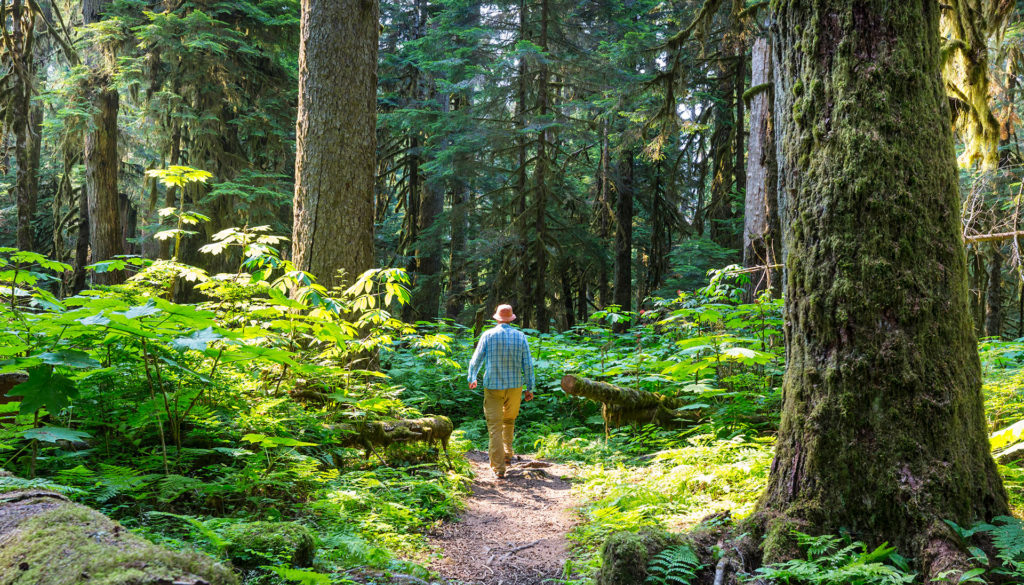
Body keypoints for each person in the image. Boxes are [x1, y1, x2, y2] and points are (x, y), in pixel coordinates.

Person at [467, 304, 535, 479]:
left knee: (495, 427)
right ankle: (507, 454)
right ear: (511, 319)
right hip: (515, 387)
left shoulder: (488, 335)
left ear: (497, 318)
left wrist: (472, 377)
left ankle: (498, 468)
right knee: (509, 420)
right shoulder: (520, 337)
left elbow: (476, 360)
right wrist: (530, 388)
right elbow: (527, 364)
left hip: (493, 386)